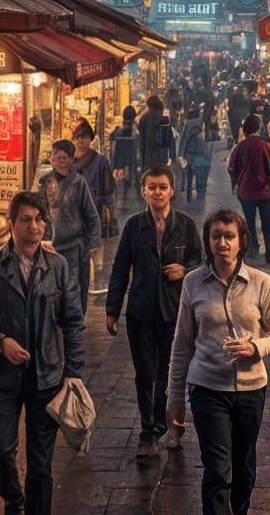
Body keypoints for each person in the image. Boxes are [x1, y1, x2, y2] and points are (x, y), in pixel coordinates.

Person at [0, 191, 85, 515]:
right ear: (11, 224)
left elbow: (73, 321)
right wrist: (0, 341)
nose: (34, 226)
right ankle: (13, 499)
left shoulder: (57, 266)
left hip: (47, 376)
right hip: (5, 376)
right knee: (1, 451)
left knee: (40, 462)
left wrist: (73, 372)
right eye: (26, 220)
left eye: (39, 219)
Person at [167, 208, 270, 515]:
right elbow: (182, 343)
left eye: (229, 236)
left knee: (244, 467)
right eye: (216, 236)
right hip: (207, 386)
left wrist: (255, 347)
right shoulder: (193, 283)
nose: (222, 242)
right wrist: (175, 397)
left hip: (250, 389)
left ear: (241, 241)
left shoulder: (261, 282)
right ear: (208, 241)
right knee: (217, 469)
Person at [105, 165, 203, 455]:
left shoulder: (185, 225)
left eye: (162, 187)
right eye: (152, 187)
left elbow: (201, 263)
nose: (157, 192)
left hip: (174, 312)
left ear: (172, 190)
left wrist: (185, 270)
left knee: (170, 373)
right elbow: (120, 267)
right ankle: (148, 430)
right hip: (141, 311)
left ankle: (165, 424)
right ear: (143, 191)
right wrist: (112, 309)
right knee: (145, 373)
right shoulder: (134, 226)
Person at [39, 139, 101, 314]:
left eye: (64, 157)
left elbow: (92, 216)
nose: (60, 161)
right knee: (51, 291)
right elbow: (39, 212)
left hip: (75, 246)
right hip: (50, 247)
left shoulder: (79, 183)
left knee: (74, 291)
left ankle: (75, 324)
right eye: (56, 157)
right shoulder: (44, 182)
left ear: (72, 160)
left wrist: (92, 245)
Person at [226, 114, 270, 264]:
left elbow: (231, 167)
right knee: (267, 222)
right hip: (264, 191)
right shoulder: (265, 146)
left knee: (249, 222)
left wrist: (237, 181)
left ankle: (253, 247)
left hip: (246, 191)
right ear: (259, 128)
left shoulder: (240, 147)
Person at [72, 121, 116, 236]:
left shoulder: (100, 161)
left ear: (90, 139)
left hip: (94, 207)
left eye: (84, 136)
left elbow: (107, 188)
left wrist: (110, 209)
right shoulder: (68, 160)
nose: (80, 139)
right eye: (78, 136)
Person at [111, 107, 141, 207]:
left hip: (121, 160)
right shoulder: (136, 130)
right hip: (134, 159)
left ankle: (123, 196)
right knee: (136, 179)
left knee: (123, 182)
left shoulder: (119, 130)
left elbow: (113, 142)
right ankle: (138, 196)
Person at [176, 108, 204, 200]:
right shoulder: (200, 122)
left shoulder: (188, 124)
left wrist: (180, 153)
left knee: (189, 171)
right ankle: (200, 189)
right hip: (199, 150)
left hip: (189, 151)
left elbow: (184, 139)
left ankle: (188, 189)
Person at [138, 95, 168, 169]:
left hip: (148, 156)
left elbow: (141, 140)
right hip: (160, 157)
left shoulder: (144, 118)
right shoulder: (164, 119)